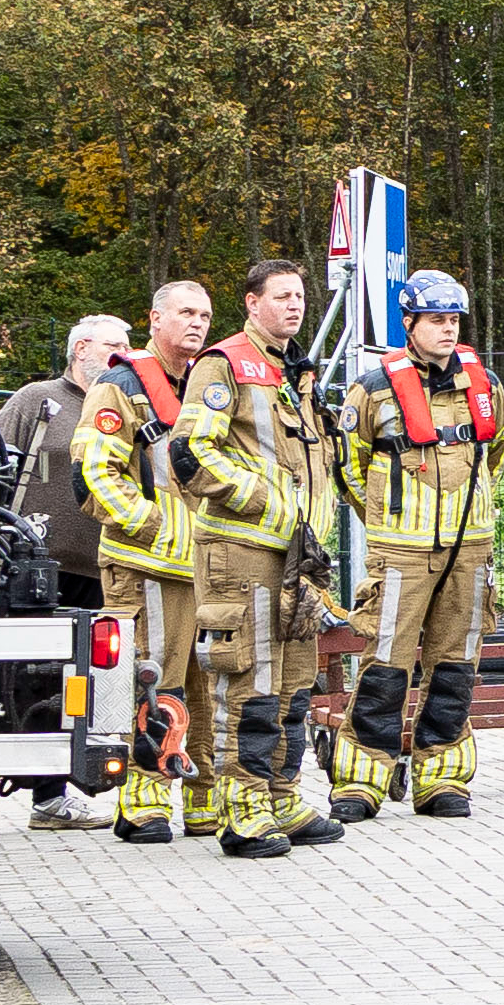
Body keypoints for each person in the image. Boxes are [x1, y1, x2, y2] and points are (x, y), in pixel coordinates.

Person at [335, 269, 504, 817]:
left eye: (454, 320)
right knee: (385, 664)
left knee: (456, 663)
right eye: (436, 320)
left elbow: (499, 449)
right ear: (409, 323)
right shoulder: (372, 388)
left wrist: (474, 505)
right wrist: (389, 512)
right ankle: (361, 780)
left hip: (470, 549)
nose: (447, 330)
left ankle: (442, 778)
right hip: (400, 550)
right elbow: (349, 463)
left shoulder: (484, 385)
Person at [76, 280, 246, 843]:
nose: (197, 324)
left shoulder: (211, 385)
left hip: (210, 566)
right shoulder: (120, 386)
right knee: (154, 684)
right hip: (146, 566)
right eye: (185, 313)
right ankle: (143, 801)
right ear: (154, 318)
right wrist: (152, 525)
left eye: (205, 314)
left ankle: (201, 799)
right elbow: (94, 475)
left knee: (208, 687)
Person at [191, 257, 335, 856]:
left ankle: (282, 794)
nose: (294, 306)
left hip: (294, 557)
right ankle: (243, 805)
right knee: (250, 681)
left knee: (296, 684)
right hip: (243, 549)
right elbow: (192, 451)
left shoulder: (294, 371)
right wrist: (264, 503)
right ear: (252, 303)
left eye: (299, 296)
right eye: (281, 297)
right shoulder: (223, 363)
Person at [0, 314, 127, 827]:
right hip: (31, 567)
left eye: (128, 344)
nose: (124, 352)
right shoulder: (37, 400)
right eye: (113, 344)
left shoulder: (119, 404)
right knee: (7, 676)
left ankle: (51, 798)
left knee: (69, 684)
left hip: (97, 571)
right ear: (80, 351)